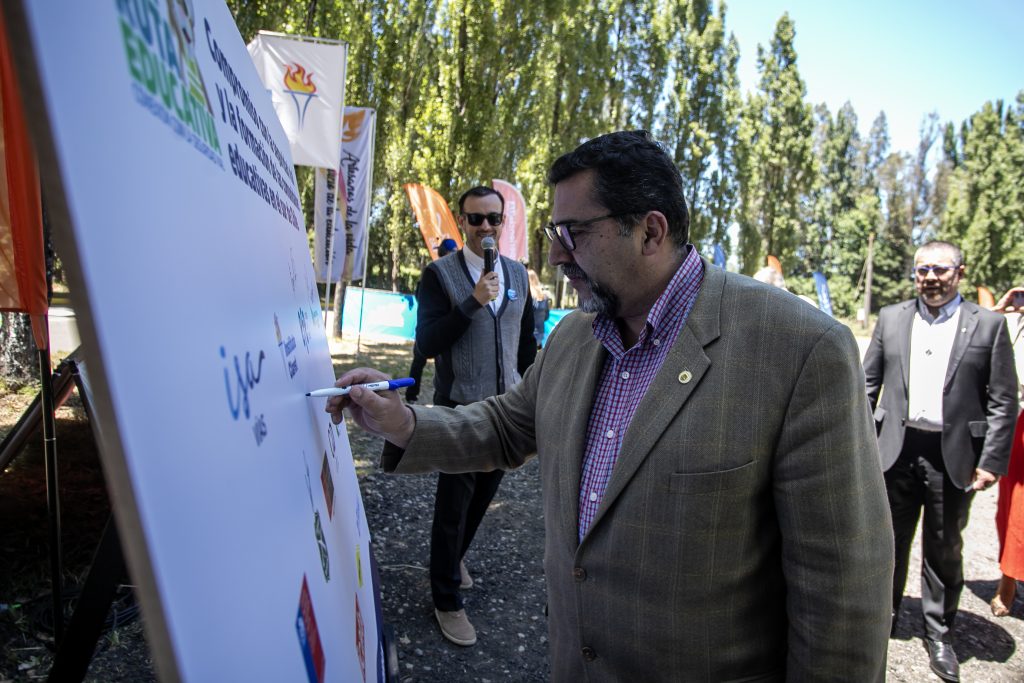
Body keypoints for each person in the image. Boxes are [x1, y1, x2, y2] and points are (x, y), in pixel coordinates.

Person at [327, 131, 893, 681]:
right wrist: (404, 422)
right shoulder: (576, 336)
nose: (554, 254)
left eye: (572, 232)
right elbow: (506, 425)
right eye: (553, 231)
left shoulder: (799, 349)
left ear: (650, 232)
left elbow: (842, 593)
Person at [863, 241, 1017, 682]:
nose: (930, 277)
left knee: (944, 546)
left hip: (954, 456)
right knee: (887, 541)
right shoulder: (892, 318)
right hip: (894, 449)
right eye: (923, 269)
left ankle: (939, 632)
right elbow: (866, 384)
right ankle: (882, 618)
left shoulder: (988, 325)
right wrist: (858, 444)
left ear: (960, 273)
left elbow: (1003, 399)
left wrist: (991, 461)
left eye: (940, 269)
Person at [411, 186, 536, 646]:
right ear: (462, 221)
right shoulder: (439, 275)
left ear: (503, 222)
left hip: (508, 409)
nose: (486, 227)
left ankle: (453, 558)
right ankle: (446, 600)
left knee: (483, 497)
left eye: (493, 219)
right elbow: (426, 343)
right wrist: (472, 302)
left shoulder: (518, 274)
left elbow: (526, 344)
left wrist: (533, 390)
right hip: (460, 408)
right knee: (452, 506)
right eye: (476, 218)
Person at [990, 285, 1024, 617]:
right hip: (1020, 423)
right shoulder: (1012, 322)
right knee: (1014, 508)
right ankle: (1009, 577)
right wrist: (999, 312)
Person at [405, 238, 459, 404]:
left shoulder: (456, 274)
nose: (455, 255)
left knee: (445, 366)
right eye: (452, 252)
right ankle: (411, 395)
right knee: (418, 362)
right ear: (445, 253)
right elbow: (420, 296)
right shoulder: (433, 273)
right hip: (429, 329)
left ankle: (439, 397)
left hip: (446, 329)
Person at [527, 268, 550, 348]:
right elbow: (546, 316)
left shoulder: (527, 296)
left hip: (527, 333)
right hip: (540, 333)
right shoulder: (544, 296)